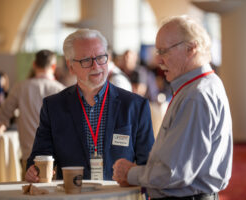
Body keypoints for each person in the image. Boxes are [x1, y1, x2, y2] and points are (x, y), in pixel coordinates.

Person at [113, 15, 233, 200]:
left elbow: (173, 173)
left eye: (164, 51)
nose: (158, 60)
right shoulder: (201, 85)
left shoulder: (196, 95)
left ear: (191, 49)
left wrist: (130, 173)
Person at [25, 28, 154, 182]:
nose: (96, 66)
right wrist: (33, 171)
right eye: (86, 60)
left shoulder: (135, 106)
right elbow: (38, 158)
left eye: (100, 57)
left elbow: (148, 165)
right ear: (71, 66)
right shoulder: (53, 107)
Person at [0, 49, 65, 178]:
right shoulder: (62, 90)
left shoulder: (20, 88)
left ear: (34, 64)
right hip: (56, 159)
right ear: (53, 66)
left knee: (31, 195)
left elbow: (0, 120)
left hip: (29, 158)